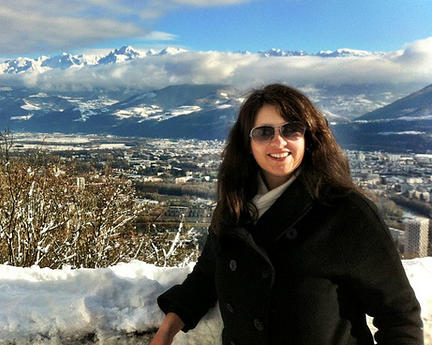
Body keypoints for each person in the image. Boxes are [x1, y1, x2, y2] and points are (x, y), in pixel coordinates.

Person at [149, 83, 423, 345]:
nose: (278, 142)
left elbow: (399, 316)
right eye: (264, 132)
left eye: (292, 130)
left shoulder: (345, 212)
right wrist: (167, 330)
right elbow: (209, 274)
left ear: (309, 138)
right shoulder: (234, 207)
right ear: (248, 142)